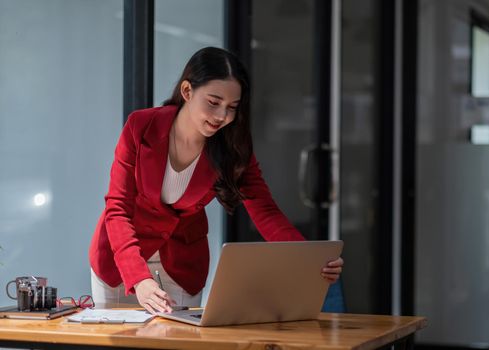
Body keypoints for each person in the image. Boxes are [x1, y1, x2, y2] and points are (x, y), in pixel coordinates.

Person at [89, 47, 344, 314]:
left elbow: (265, 211)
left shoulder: (233, 147)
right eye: (213, 102)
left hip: (181, 263)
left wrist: (307, 257)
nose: (222, 116)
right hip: (122, 260)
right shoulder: (140, 126)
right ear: (187, 92)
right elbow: (117, 208)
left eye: (232, 107)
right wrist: (139, 278)